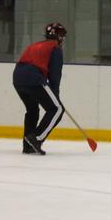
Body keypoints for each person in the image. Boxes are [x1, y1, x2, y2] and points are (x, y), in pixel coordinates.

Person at [13, 22, 67, 155]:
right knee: (57, 109)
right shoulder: (55, 49)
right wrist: (55, 96)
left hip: (18, 78)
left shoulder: (35, 45)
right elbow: (55, 77)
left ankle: (28, 146)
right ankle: (36, 138)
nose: (63, 39)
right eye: (62, 36)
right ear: (59, 37)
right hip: (34, 79)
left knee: (32, 110)